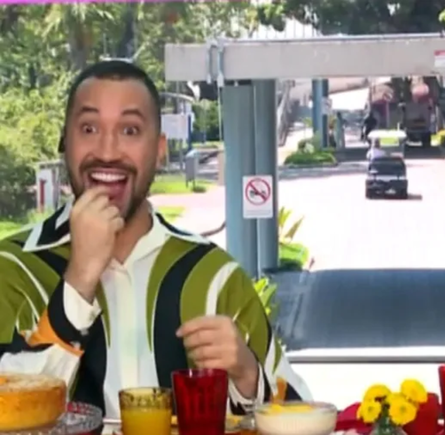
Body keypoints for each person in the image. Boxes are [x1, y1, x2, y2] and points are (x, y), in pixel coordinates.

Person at [0, 61, 311, 418]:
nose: (107, 151)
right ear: (64, 141)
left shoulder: (215, 276)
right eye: (89, 128)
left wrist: (248, 376)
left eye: (130, 130)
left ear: (160, 149)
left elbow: (303, 416)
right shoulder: (11, 270)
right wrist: (80, 277)